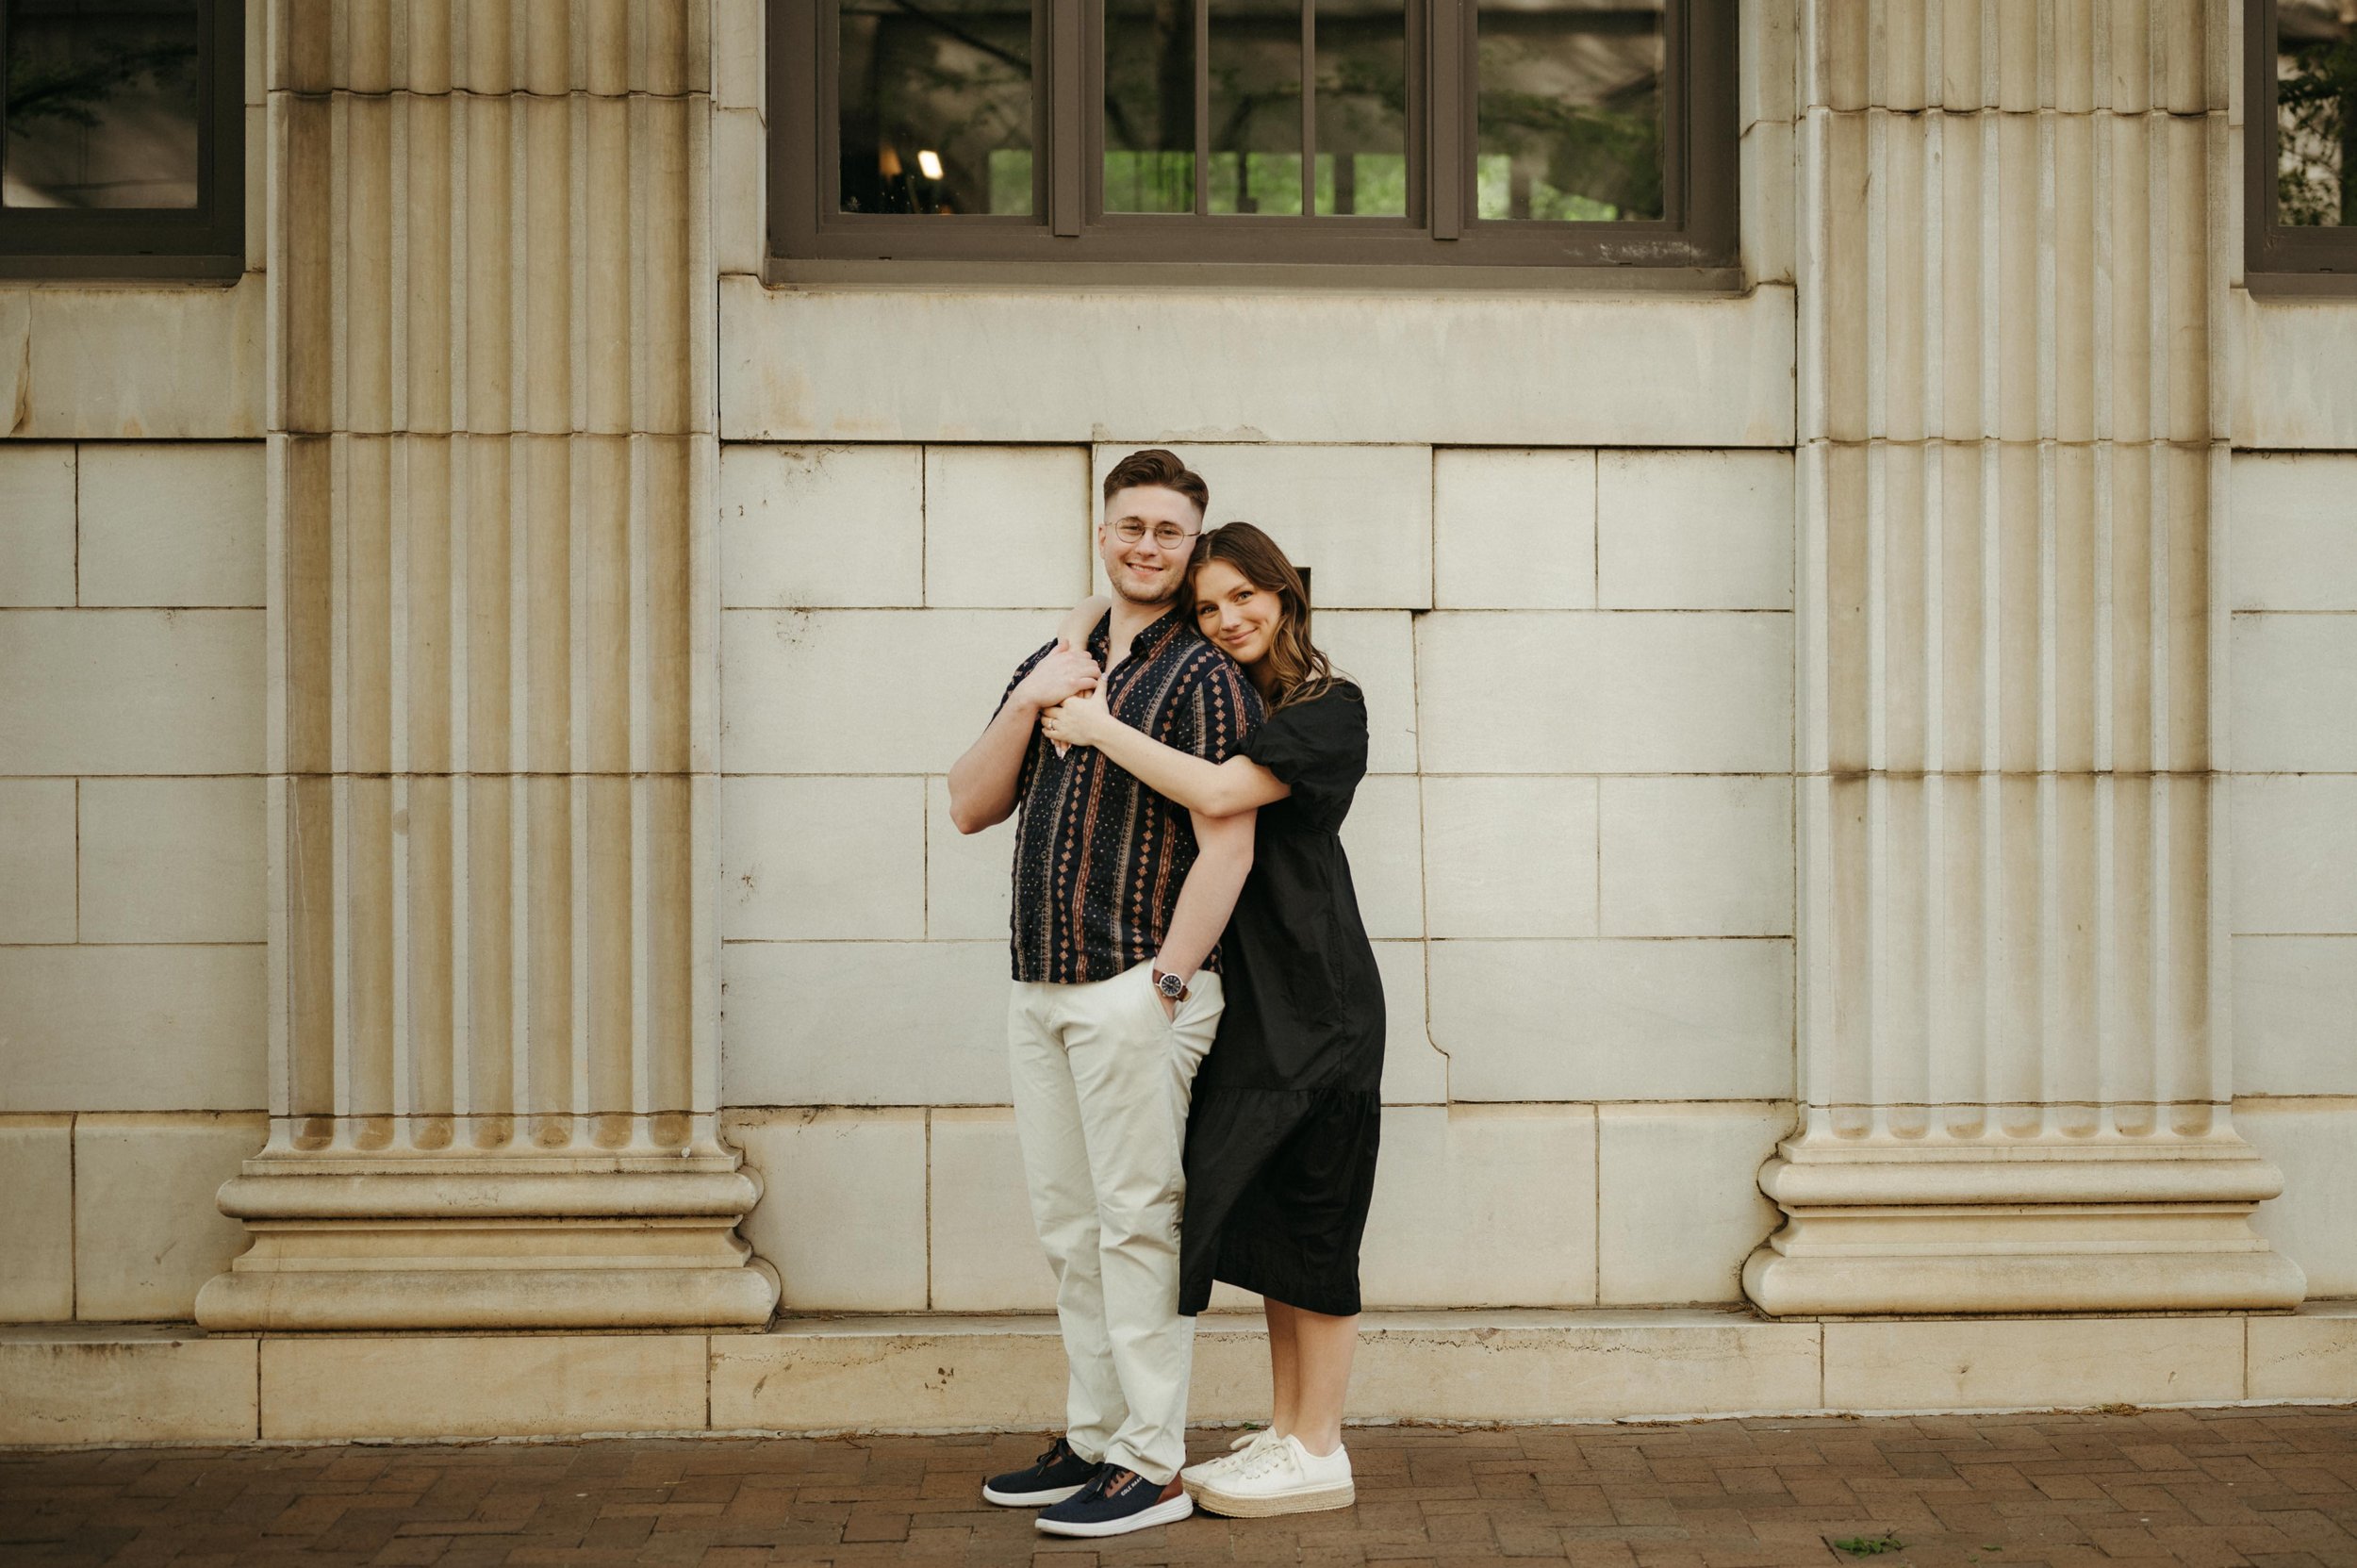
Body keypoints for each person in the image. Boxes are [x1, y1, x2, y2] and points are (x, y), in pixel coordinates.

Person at [947, 449, 1262, 1540]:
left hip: (1134, 987)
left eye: (1168, 531)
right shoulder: (1060, 658)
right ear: (1102, 531)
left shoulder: (1205, 676)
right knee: (1070, 1228)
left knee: (1137, 1225)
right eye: (1131, 524)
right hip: (1038, 985)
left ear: (1191, 545)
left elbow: (1229, 837)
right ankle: (1093, 1437)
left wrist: (1167, 982)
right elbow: (969, 803)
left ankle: (1152, 1461)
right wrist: (1033, 693)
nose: (1145, 544)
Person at [1039, 520, 1384, 1520]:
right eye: (1208, 606)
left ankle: (1319, 1446)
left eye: (1246, 596)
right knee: (1272, 1226)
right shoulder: (1237, 696)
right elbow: (1105, 618)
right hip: (1251, 1005)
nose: (1228, 618)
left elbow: (1228, 792)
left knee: (1317, 1229)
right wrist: (1090, 616)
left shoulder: (1326, 706)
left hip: (1318, 1004)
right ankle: (1287, 1429)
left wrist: (1100, 727)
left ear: (1286, 595)